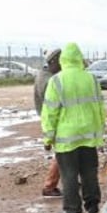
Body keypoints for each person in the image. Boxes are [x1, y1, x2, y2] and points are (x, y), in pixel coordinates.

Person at [41, 42, 106, 213]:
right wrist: (99, 133)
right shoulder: (91, 79)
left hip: (66, 138)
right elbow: (100, 107)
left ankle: (72, 212)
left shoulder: (56, 81)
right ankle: (93, 208)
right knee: (89, 173)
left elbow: (50, 112)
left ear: (63, 60)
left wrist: (48, 136)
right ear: (79, 58)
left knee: (69, 174)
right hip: (89, 137)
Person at [34, 48, 62, 198]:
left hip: (52, 120)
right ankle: (49, 186)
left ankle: (67, 180)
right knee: (62, 154)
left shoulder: (47, 75)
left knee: (64, 153)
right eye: (61, 61)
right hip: (53, 120)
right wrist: (48, 136)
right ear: (53, 61)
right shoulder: (47, 79)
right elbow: (51, 108)